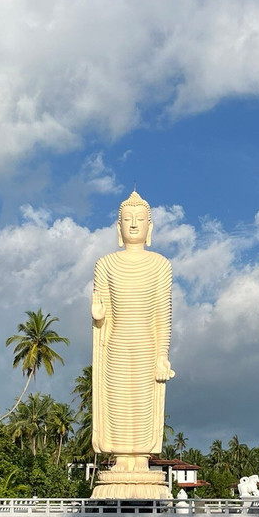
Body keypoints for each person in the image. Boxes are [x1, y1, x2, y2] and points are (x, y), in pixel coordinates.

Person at [91, 191, 174, 472]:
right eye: (128, 219)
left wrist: (162, 356)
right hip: (116, 344)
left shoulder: (161, 265)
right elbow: (100, 307)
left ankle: (139, 459)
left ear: (150, 228)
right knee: (117, 402)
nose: (134, 224)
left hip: (147, 345)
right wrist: (98, 313)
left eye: (140, 219)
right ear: (119, 227)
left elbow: (163, 314)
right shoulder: (105, 264)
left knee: (142, 403)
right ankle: (121, 458)